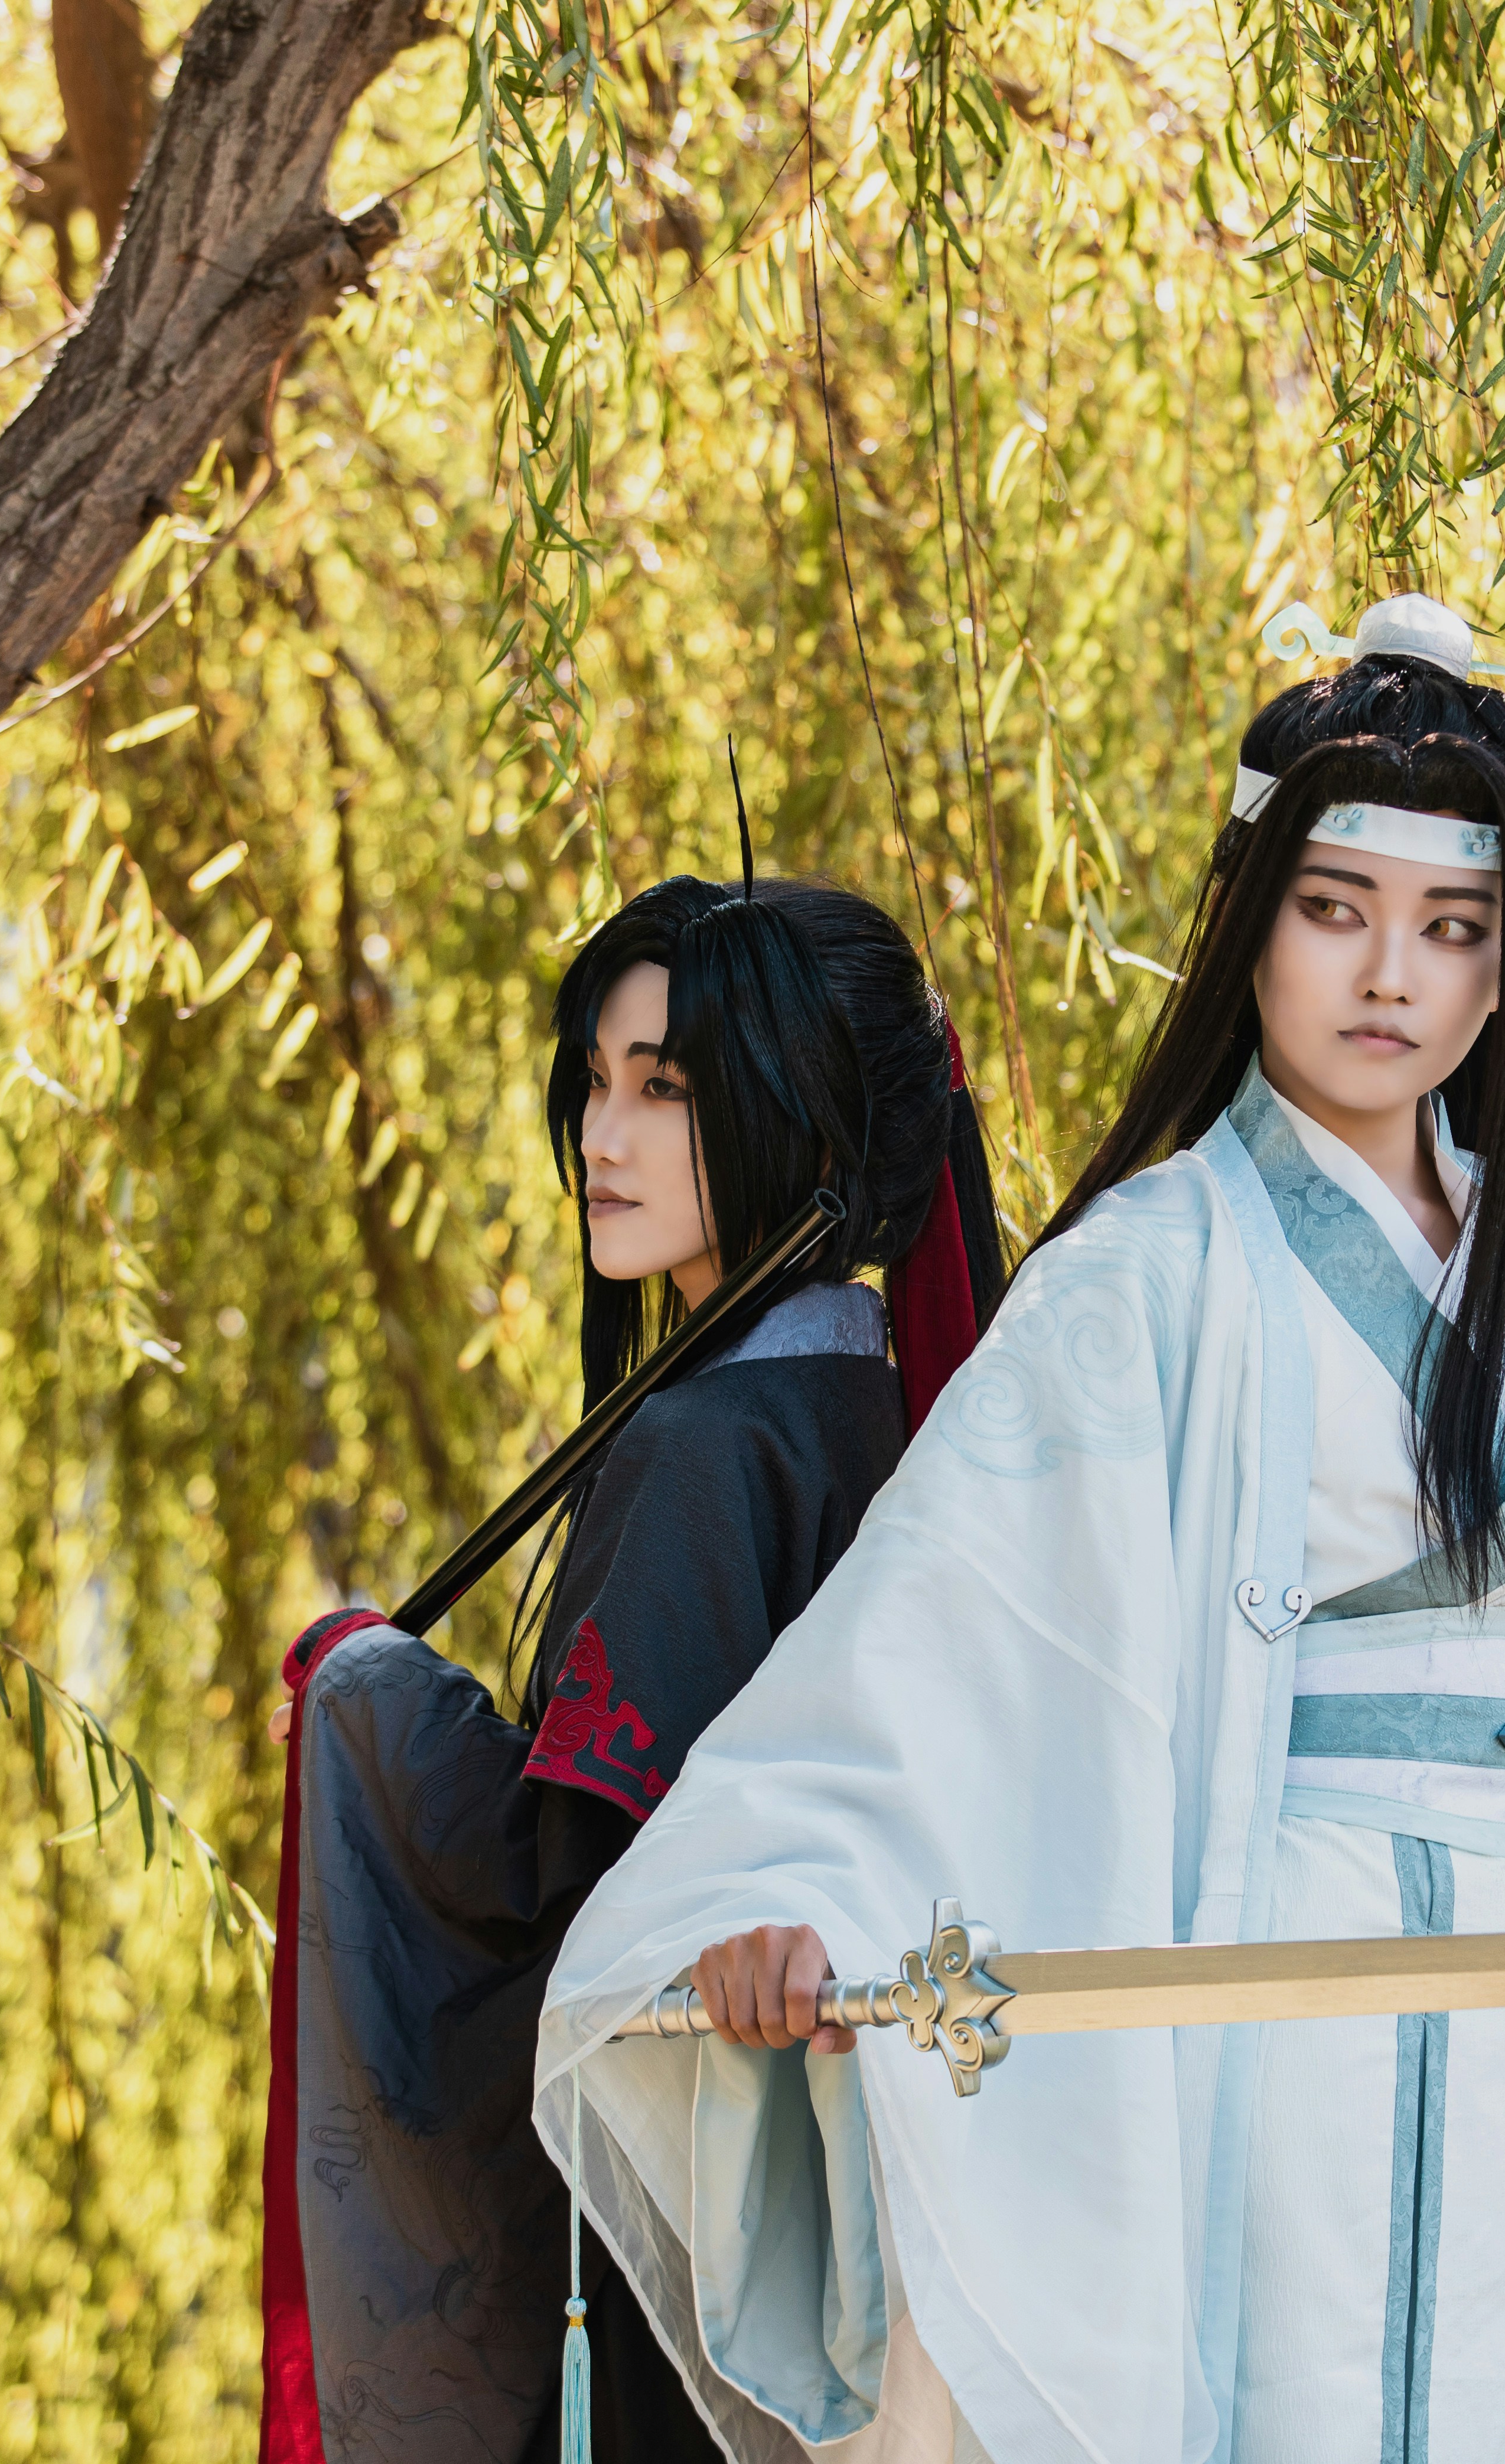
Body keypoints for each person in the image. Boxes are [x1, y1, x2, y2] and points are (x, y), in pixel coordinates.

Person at [533, 597, 1505, 2464]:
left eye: (1450, 928)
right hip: (1269, 2029)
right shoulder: (1140, 1277)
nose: (1388, 977)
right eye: (1334, 908)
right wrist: (796, 1896)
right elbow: (948, 1653)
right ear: (1250, 920)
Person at [256, 873, 1005, 2464]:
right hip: (877, 2224)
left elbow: (578, 1904)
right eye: (596, 1083)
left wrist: (366, 1697)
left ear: (795, 1109)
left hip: (695, 2203)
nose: (603, 1137)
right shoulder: (902, 1417)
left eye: (666, 1089)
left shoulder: (698, 1447)